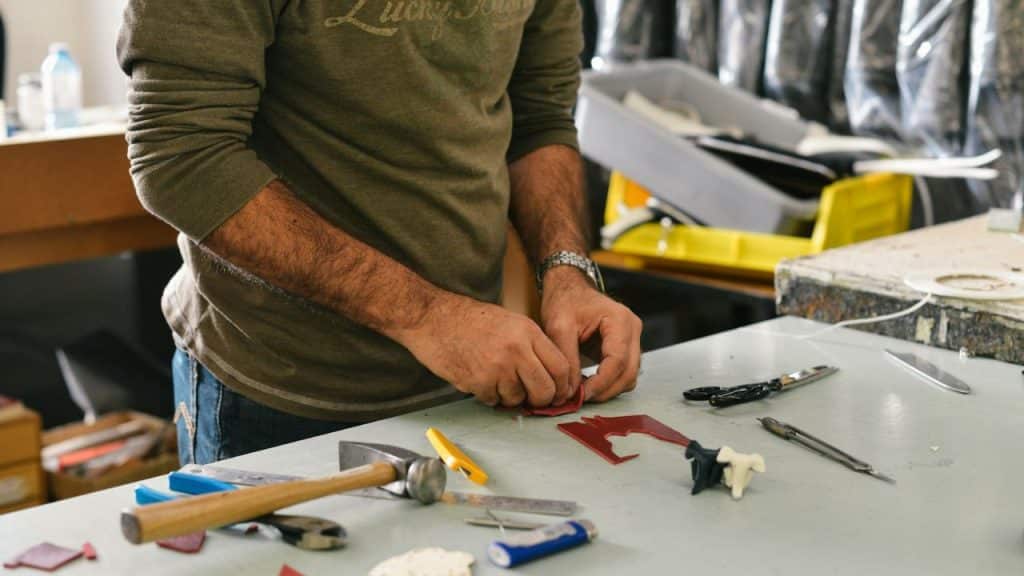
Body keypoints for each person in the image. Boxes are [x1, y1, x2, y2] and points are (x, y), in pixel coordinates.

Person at [117, 0, 642, 465]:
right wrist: (426, 316)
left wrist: (567, 272)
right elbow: (183, 157)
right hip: (281, 394)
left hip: (471, 381)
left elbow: (540, 118)